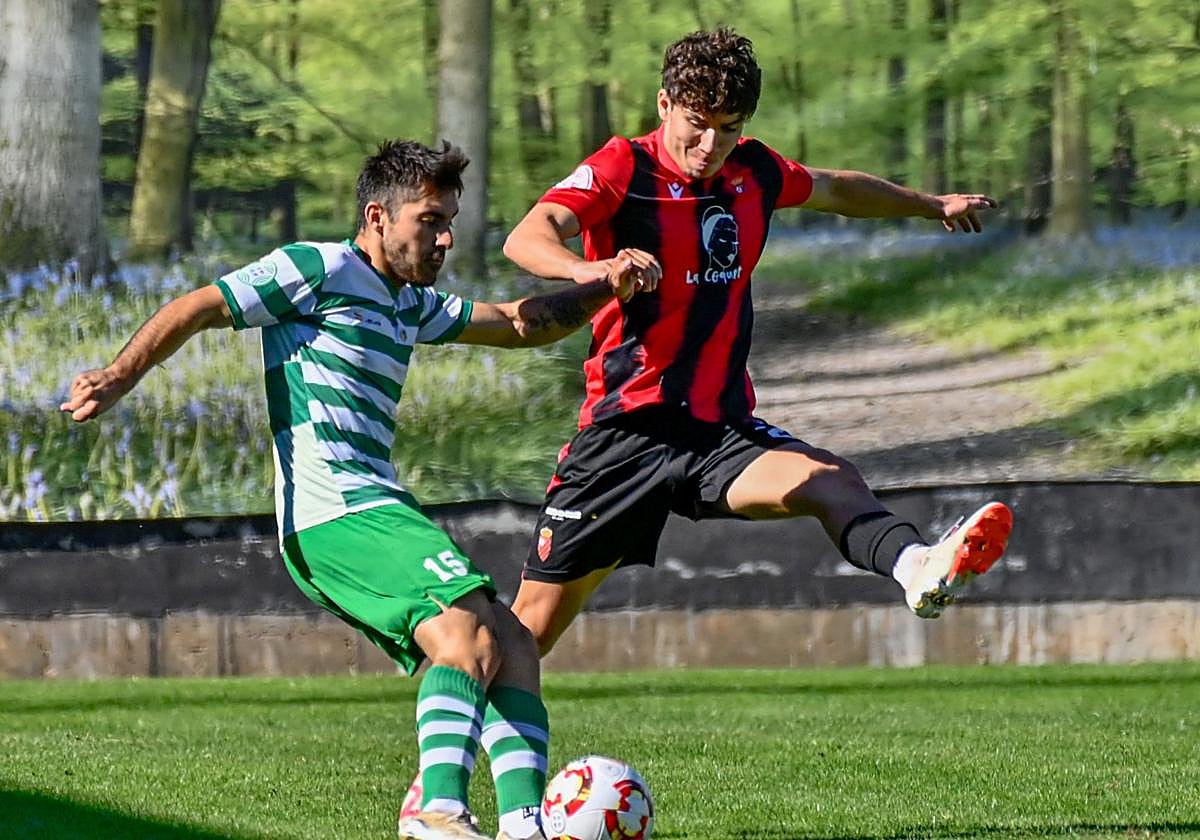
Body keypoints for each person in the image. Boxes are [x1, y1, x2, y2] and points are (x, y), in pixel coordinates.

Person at [60, 139, 645, 840]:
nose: (445, 236)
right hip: (333, 511)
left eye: (450, 220)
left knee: (513, 642)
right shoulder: (318, 268)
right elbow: (199, 305)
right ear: (377, 215)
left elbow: (518, 323)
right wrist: (120, 374)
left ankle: (524, 826)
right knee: (464, 636)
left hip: (371, 506)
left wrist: (602, 285)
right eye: (429, 219)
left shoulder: (411, 303)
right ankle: (437, 815)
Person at [500, 27, 1016, 656]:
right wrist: (591, 269)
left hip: (717, 433)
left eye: (730, 127)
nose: (711, 144)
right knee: (522, 640)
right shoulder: (622, 167)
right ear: (664, 105)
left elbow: (836, 188)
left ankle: (919, 568)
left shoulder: (755, 170)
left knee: (830, 479)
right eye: (697, 123)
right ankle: (451, 744)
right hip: (622, 439)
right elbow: (529, 234)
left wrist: (930, 204)